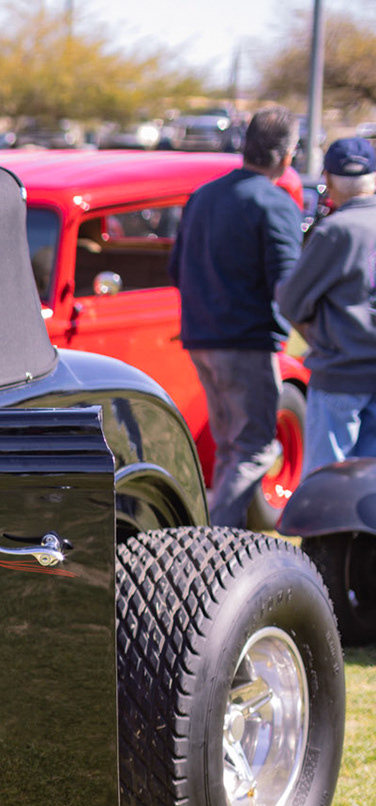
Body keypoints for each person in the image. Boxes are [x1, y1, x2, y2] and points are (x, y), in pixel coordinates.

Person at [167, 107, 302, 526]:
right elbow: (289, 285)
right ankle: (217, 537)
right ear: (286, 156)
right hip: (246, 342)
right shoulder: (274, 203)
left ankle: (224, 536)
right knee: (254, 449)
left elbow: (176, 269)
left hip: (202, 338)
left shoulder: (203, 196)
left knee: (230, 447)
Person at [276, 138, 376, 471]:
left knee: (326, 481)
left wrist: (318, 336)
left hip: (341, 374)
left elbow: (290, 299)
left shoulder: (335, 231)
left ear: (329, 181)